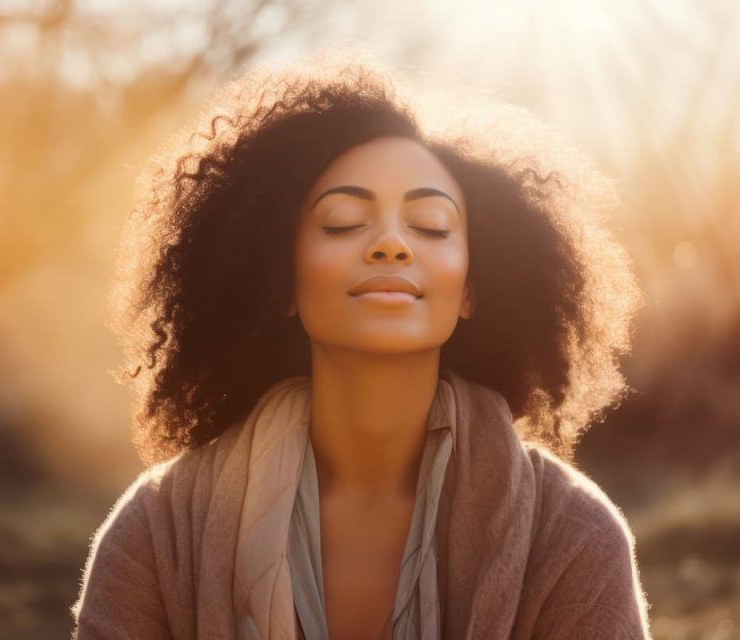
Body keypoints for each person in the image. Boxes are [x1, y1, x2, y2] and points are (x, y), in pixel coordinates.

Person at [72, 54, 651, 639]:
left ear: (472, 288)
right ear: (283, 282)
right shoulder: (158, 529)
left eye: (429, 225)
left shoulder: (572, 535)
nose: (391, 245)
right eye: (344, 221)